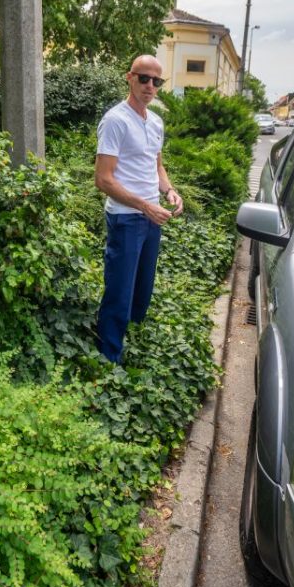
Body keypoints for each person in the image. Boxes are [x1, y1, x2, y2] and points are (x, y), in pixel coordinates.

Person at [94, 54, 183, 364]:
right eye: (143, 78)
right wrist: (145, 206)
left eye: (157, 81)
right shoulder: (115, 120)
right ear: (129, 77)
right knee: (120, 289)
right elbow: (103, 179)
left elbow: (156, 166)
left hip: (151, 216)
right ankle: (109, 358)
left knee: (142, 287)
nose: (150, 86)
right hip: (126, 218)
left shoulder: (155, 121)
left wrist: (169, 191)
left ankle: (133, 337)